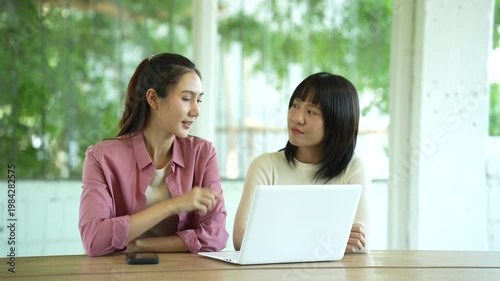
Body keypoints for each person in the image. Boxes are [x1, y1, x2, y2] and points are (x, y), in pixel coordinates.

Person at [79, 53, 228, 257]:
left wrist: (140, 245)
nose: (196, 111)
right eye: (186, 98)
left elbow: (216, 236)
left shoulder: (203, 154)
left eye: (199, 100)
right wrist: (173, 205)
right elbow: (94, 240)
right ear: (153, 98)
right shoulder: (102, 157)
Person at [233, 72, 370, 253]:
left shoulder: (352, 167)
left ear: (337, 122)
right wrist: (325, 240)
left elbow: (357, 244)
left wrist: (275, 238)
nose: (297, 118)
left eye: (311, 112)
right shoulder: (265, 166)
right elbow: (241, 240)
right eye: (295, 105)